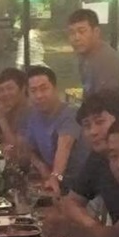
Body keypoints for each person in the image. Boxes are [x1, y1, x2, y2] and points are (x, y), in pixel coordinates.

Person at [62, 91, 119, 228]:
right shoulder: (98, 157)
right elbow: (72, 201)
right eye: (87, 125)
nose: (93, 132)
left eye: (100, 122)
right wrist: (93, 226)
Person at [22, 66, 88, 196]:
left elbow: (65, 146)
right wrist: (42, 167)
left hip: (80, 188)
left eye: (44, 89)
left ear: (55, 89)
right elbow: (29, 149)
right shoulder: (34, 116)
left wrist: (55, 176)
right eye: (33, 91)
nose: (39, 95)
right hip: (55, 183)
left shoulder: (71, 113)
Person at [68, 8, 119, 109]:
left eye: (82, 31)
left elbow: (105, 104)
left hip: (118, 116)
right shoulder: (83, 57)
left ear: (96, 32)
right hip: (96, 113)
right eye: (72, 33)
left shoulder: (106, 59)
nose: (76, 38)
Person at [0, 68, 30, 146]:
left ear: (23, 88)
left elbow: (16, 147)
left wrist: (1, 118)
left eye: (10, 88)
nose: (5, 94)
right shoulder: (11, 109)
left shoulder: (31, 111)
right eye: (1, 90)